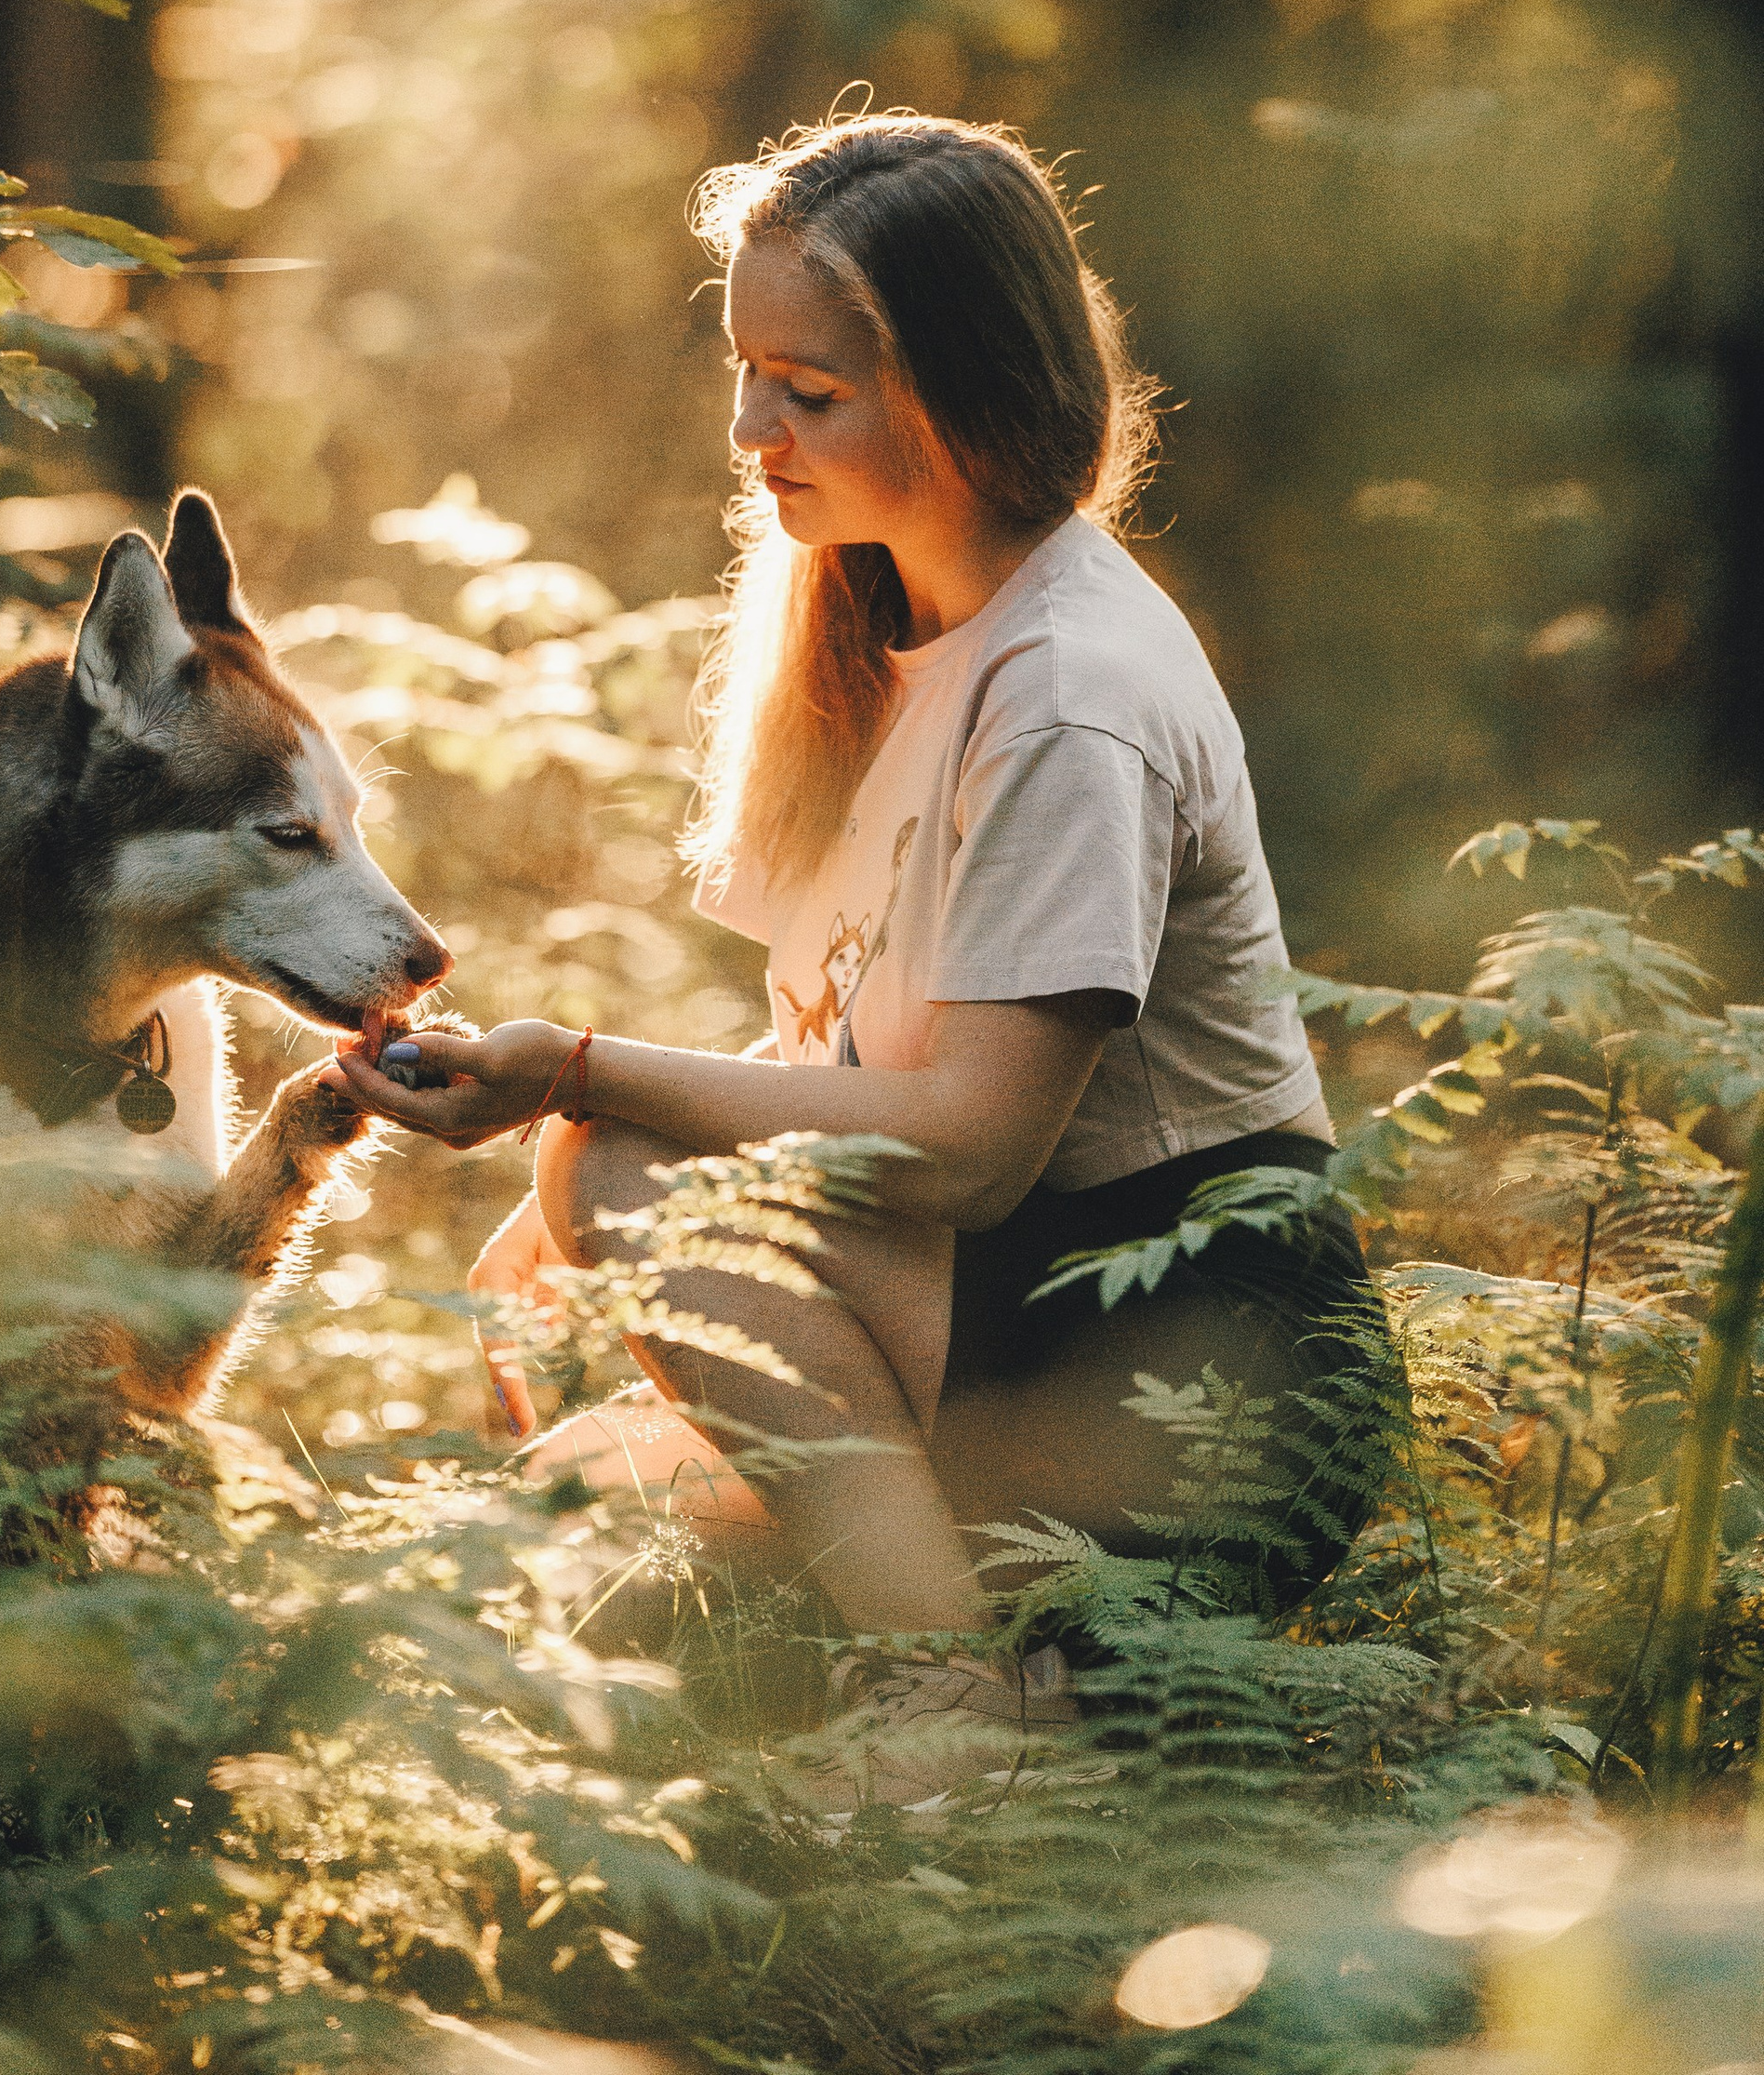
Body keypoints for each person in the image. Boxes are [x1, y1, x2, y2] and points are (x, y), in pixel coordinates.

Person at [331, 112, 1389, 1800]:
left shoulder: (1071, 694)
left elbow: (968, 1147)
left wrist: (575, 1084)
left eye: (808, 390)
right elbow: (832, 1069)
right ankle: (1020, 1695)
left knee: (616, 1173)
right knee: (575, 1509)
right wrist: (546, 1249)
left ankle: (951, 1703)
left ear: (973, 388)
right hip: (1003, 1326)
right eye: (746, 372)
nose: (752, 431)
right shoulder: (873, 623)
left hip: (1184, 1363)